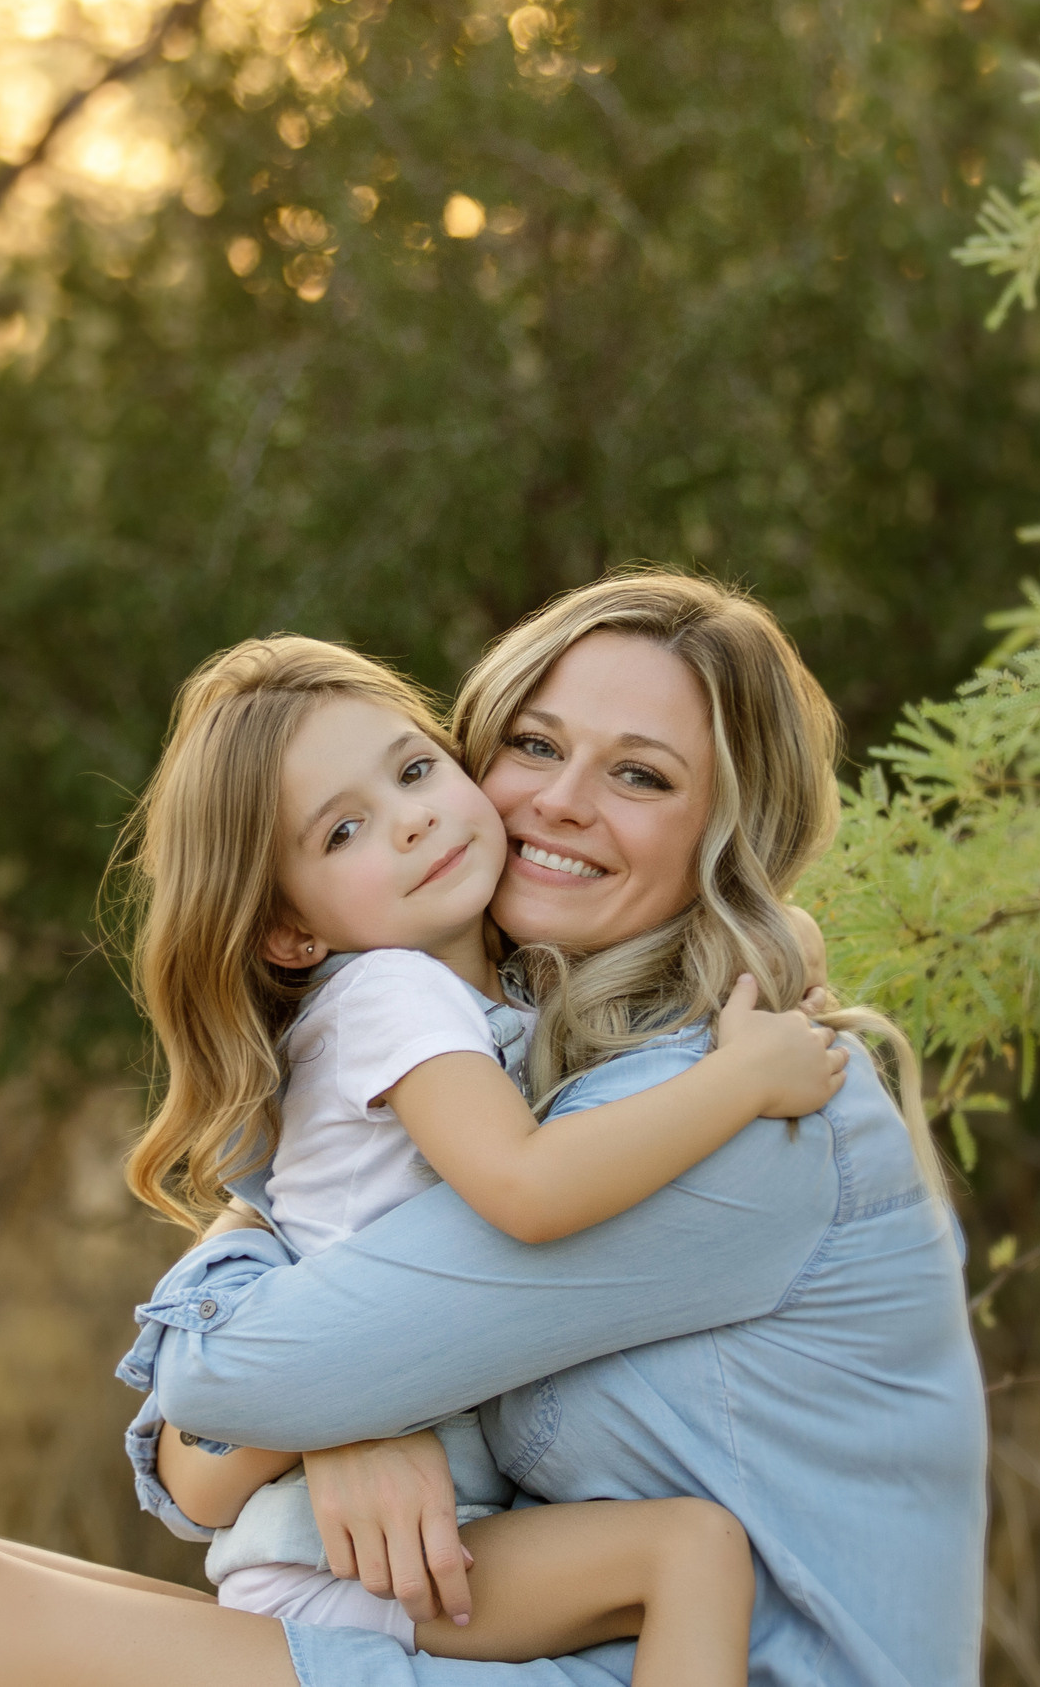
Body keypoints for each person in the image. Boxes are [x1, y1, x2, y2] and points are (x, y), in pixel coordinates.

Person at [0, 572, 985, 1687]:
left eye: (640, 776)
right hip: (516, 1623)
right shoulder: (528, 1041)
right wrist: (341, 1414)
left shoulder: (725, 1119)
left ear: (727, 827)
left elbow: (240, 1384)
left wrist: (328, 1395)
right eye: (535, 744)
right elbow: (203, 1446)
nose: (555, 798)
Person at [115, 633, 845, 1683]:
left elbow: (745, 940)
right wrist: (743, 1081)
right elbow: (528, 1189)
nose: (411, 817)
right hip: (365, 1551)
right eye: (346, 831)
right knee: (691, 1552)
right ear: (289, 933)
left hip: (400, 1531)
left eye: (414, 769)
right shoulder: (393, 998)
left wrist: (787, 948)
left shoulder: (488, 998)